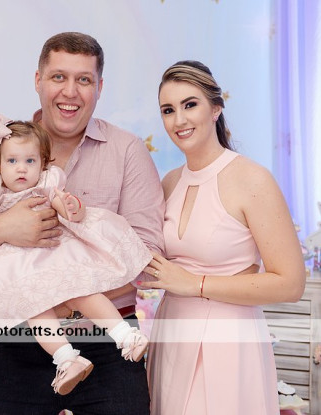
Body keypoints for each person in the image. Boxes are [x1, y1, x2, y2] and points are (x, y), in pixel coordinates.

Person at [0, 32, 165, 414]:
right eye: (58, 77)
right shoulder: (0, 147)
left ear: (99, 87)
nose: (70, 91)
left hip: (109, 337)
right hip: (20, 336)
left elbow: (146, 252)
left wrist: (66, 288)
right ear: (38, 80)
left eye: (84, 79)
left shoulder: (127, 150)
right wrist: (3, 228)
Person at [140, 60, 306, 414]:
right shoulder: (168, 182)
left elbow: (291, 284)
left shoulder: (252, 179)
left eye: (190, 104)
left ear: (216, 108)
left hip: (228, 342)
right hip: (171, 335)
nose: (179, 120)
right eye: (168, 110)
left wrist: (196, 284)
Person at [0, 115, 152, 395]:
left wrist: (71, 206)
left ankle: (126, 335)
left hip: (54, 254)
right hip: (20, 267)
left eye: (30, 161)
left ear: (42, 163)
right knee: (35, 309)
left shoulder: (47, 182)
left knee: (82, 289)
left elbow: (68, 208)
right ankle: (66, 358)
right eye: (12, 161)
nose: (21, 168)